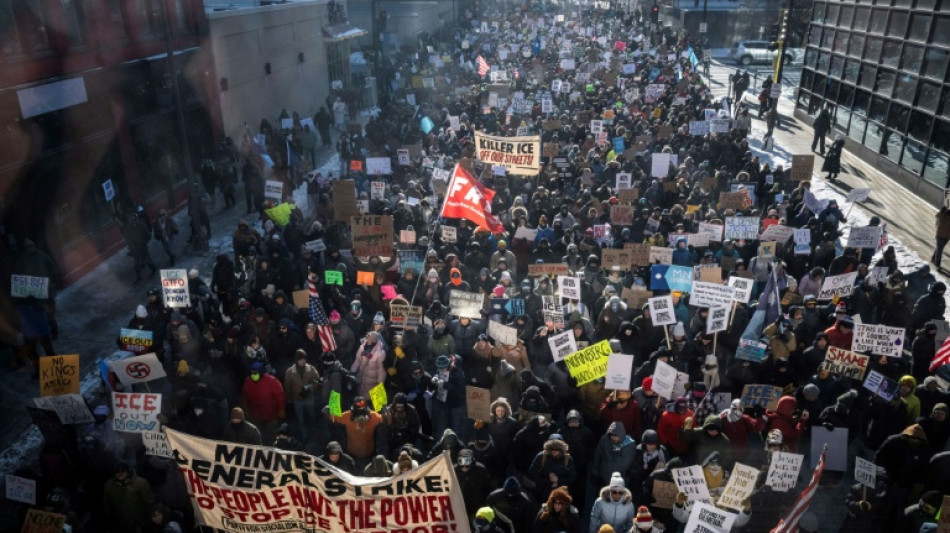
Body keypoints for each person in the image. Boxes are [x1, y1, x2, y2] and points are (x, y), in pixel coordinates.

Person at [102, 463, 153, 533]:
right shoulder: (109, 485)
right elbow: (107, 503)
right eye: (117, 471)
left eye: (122, 471)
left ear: (128, 472)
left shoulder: (141, 483)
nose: (120, 473)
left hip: (138, 523)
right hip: (120, 522)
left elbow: (149, 502)